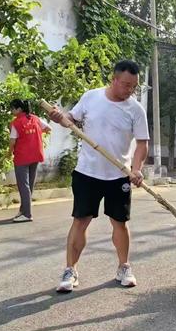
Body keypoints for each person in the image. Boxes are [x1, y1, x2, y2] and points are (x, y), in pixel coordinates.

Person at [48, 60, 149, 293]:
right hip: (87, 173)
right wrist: (60, 118)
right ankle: (70, 270)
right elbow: (70, 120)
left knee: (120, 223)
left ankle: (124, 267)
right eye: (125, 85)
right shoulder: (91, 97)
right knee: (80, 221)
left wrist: (136, 169)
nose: (129, 90)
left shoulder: (135, 109)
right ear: (113, 80)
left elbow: (142, 144)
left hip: (119, 175)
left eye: (133, 87)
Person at [9, 99, 51, 223]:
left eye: (13, 108)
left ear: (19, 109)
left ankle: (27, 214)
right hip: (36, 155)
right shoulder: (35, 119)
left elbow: (12, 141)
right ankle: (23, 210)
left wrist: (9, 151)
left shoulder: (16, 123)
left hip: (22, 157)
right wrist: (36, 133)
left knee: (24, 186)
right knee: (29, 185)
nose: (11, 110)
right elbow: (48, 128)